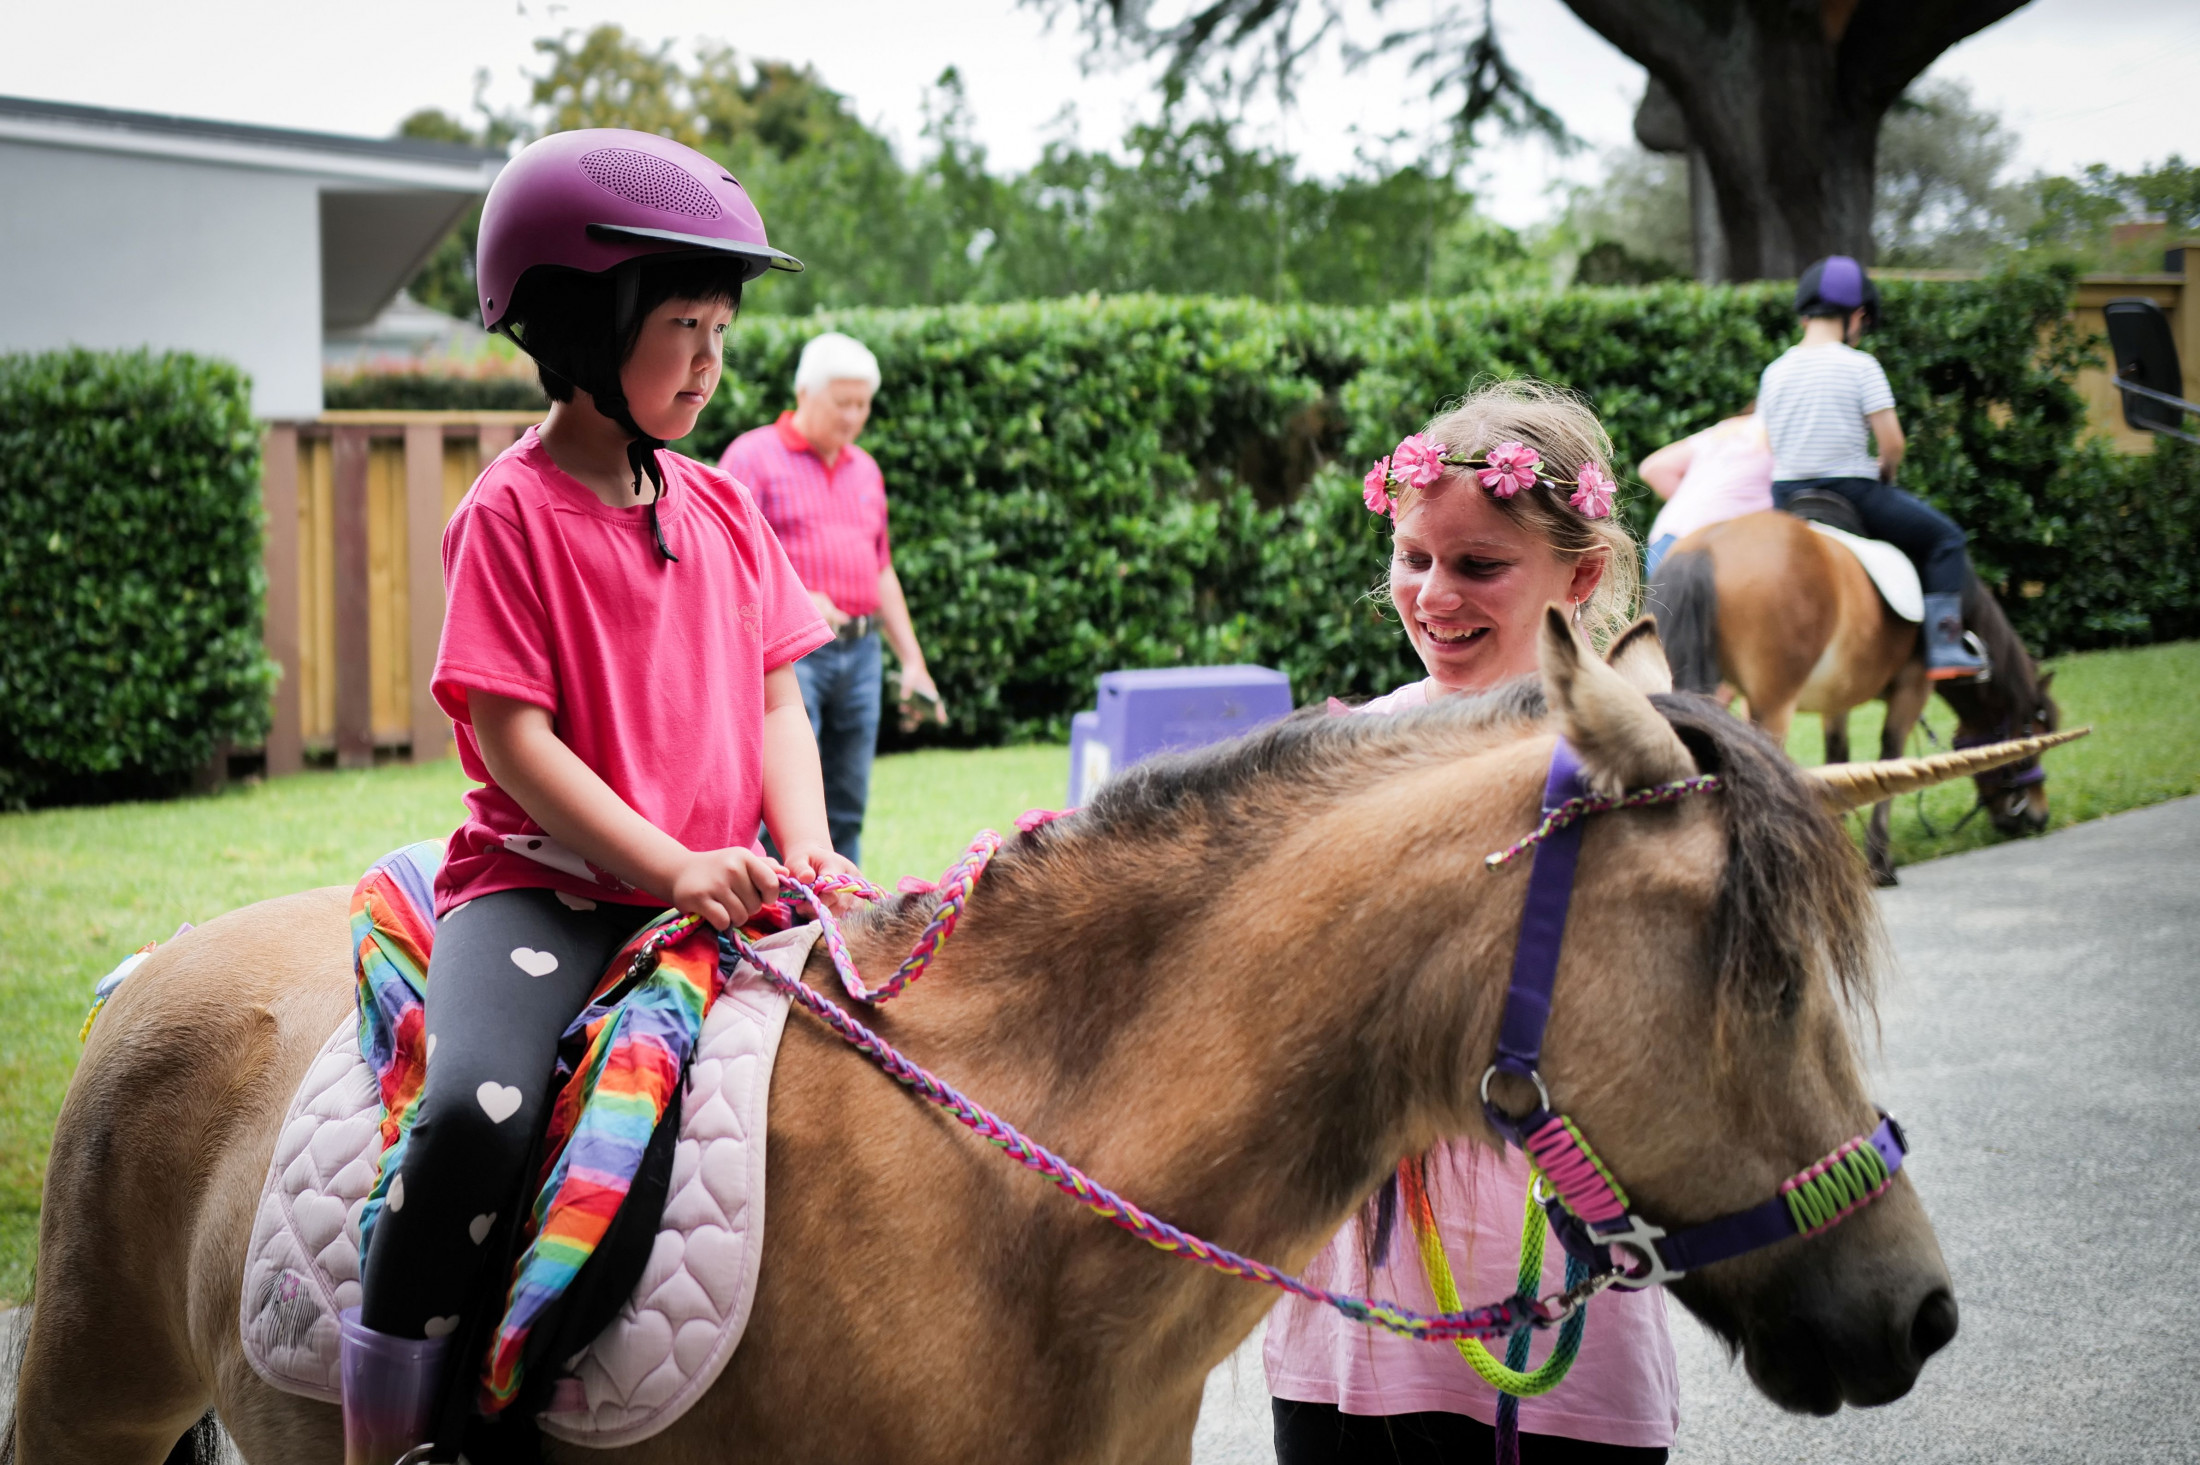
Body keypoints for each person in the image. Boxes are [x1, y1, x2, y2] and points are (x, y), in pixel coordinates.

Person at [339, 128, 860, 1465]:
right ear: (579, 321)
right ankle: (392, 1432)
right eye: (683, 325)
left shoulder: (726, 504)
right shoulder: (509, 512)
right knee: (474, 1118)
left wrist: (804, 843)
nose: (711, 362)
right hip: (544, 896)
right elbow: (514, 741)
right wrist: (675, 861)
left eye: (725, 329)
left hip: (723, 886)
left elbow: (774, 698)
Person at [1265, 381, 1677, 1464]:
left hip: (1557, 1313)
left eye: (1478, 565)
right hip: (1356, 1321)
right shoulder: (1341, 754)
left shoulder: (1633, 769)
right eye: (1413, 557)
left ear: (1580, 573)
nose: (1433, 594)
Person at [721, 332, 944, 866]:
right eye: (841, 402)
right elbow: (722, 562)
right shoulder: (751, 458)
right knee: (786, 804)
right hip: (790, 660)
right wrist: (796, 599)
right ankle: (779, 924)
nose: (853, 416)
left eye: (863, 404)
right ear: (804, 393)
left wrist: (913, 661)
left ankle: (845, 923)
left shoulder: (865, 468)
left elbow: (881, 568)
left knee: (847, 802)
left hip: (862, 655)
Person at [1757, 256, 1985, 679]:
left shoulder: (1774, 372)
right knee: (1946, 539)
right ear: (1857, 316)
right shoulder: (1861, 366)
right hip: (1852, 491)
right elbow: (1892, 442)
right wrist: (1887, 471)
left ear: (1805, 314)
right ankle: (1945, 646)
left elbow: (1769, 442)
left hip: (1787, 496)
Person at [1636, 404, 1772, 580]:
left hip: (1663, 544)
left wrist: (1694, 506)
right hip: (1713, 549)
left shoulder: (1730, 430)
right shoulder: (1784, 435)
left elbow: (1654, 468)